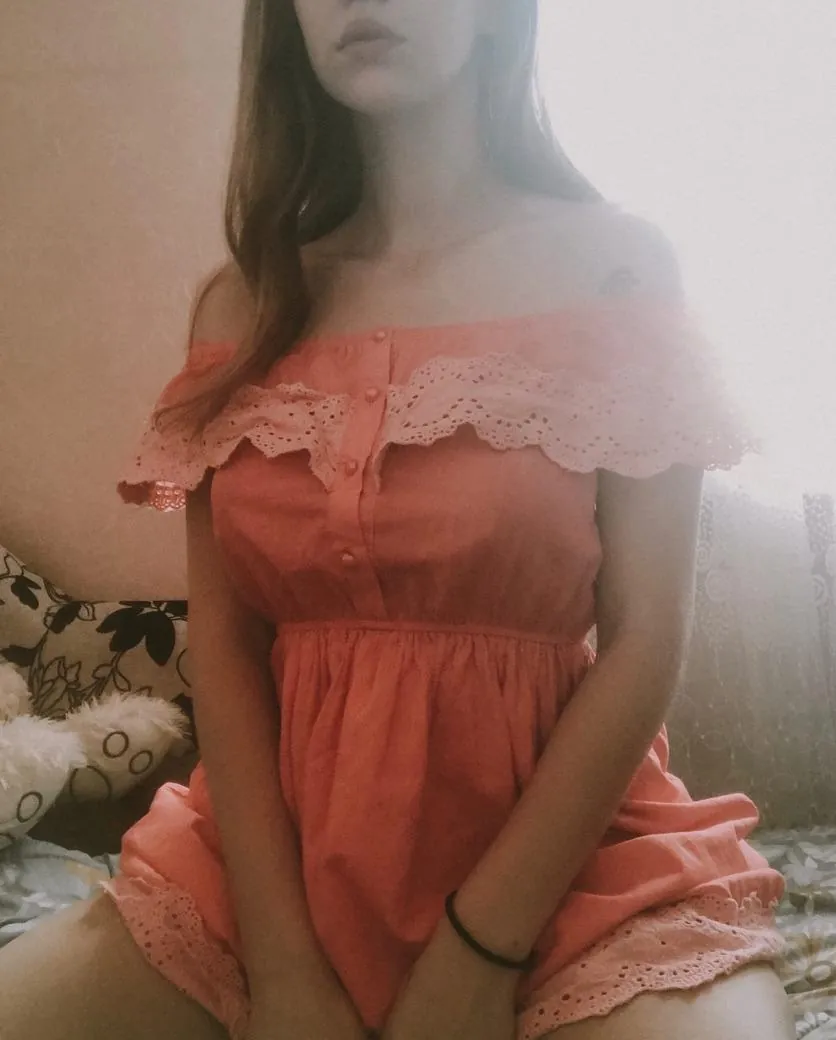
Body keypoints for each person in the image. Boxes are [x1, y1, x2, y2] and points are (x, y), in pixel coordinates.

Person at [0, 2, 795, 1038]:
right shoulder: (241, 306)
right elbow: (226, 648)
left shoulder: (618, 269)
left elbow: (644, 643)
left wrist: (479, 951)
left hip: (567, 873)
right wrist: (283, 965)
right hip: (265, 874)